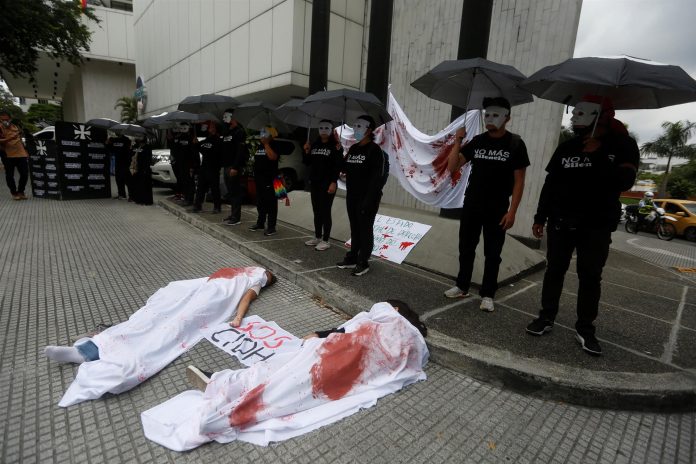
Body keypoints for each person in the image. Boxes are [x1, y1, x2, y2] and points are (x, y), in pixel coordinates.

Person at [141, 300, 428, 451]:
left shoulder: (387, 314)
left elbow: (349, 329)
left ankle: (225, 398)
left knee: (279, 371)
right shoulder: (414, 350)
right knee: (287, 391)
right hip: (346, 376)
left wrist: (319, 336)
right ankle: (225, 389)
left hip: (329, 358)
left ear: (397, 309)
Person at [44, 267, 276, 407]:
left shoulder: (254, 278)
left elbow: (245, 298)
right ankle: (87, 350)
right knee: (147, 323)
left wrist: (237, 317)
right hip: (200, 296)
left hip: (207, 303)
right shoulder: (246, 273)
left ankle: (107, 363)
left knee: (164, 331)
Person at [526, 95, 639, 356]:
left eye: (581, 113)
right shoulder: (568, 147)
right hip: (561, 222)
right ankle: (546, 317)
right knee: (554, 270)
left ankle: (585, 328)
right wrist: (539, 217)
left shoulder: (622, 145)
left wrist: (598, 154)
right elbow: (550, 184)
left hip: (596, 225)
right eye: (573, 112)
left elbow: (625, 181)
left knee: (590, 276)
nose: (574, 117)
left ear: (600, 115)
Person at [444, 97, 530, 312]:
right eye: (487, 114)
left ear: (507, 118)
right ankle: (462, 285)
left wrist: (512, 211)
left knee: (493, 253)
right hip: (472, 204)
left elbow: (520, 180)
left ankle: (488, 294)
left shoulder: (515, 144)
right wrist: (457, 142)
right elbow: (452, 167)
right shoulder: (478, 141)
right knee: (466, 248)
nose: (489, 118)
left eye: (495, 114)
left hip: (498, 208)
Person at [336, 115, 385, 276]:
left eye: (359, 126)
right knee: (355, 228)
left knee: (365, 229)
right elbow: (343, 167)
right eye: (354, 126)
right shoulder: (354, 148)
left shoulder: (375, 151)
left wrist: (369, 200)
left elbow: (377, 179)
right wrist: (338, 149)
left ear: (369, 130)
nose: (356, 129)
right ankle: (352, 258)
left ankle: (363, 261)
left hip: (367, 198)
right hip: (352, 196)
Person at [303, 120, 342, 251]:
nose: (323, 130)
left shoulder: (335, 146)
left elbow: (338, 166)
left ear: (331, 130)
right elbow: (307, 162)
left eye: (327, 128)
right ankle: (318, 237)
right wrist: (307, 151)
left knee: (325, 211)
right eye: (321, 128)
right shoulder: (314, 144)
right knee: (317, 210)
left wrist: (333, 182)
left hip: (327, 184)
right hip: (315, 182)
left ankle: (326, 240)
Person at [249, 125, 281, 236]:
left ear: (270, 135)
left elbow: (273, 157)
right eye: (261, 132)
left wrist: (266, 144)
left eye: (265, 133)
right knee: (260, 202)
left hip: (270, 179)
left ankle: (271, 227)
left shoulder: (274, 144)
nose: (262, 135)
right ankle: (260, 223)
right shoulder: (259, 146)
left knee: (271, 204)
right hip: (259, 179)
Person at [220, 109, 248, 226]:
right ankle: (233, 214)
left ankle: (236, 217)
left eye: (227, 117)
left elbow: (240, 151)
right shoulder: (227, 132)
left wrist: (235, 167)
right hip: (226, 166)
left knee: (235, 192)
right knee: (230, 192)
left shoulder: (239, 132)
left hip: (233, 166)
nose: (224, 119)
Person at [192, 121, 223, 213]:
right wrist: (195, 144)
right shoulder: (206, 140)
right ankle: (198, 205)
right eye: (210, 127)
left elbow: (218, 154)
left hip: (213, 168)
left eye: (212, 126)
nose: (210, 128)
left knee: (214, 188)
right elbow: (199, 149)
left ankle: (217, 207)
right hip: (204, 168)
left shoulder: (219, 141)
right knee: (200, 188)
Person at [0, 111, 29, 200]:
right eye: (2, 119)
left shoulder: (15, 126)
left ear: (10, 118)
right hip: (7, 154)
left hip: (21, 153)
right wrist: (10, 139)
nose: (5, 121)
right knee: (10, 175)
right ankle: (14, 193)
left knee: (24, 173)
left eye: (6, 119)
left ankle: (21, 191)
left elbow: (20, 138)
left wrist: (25, 150)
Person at [171, 122, 198, 206]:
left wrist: (194, 166)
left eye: (184, 128)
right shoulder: (177, 138)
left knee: (190, 182)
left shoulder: (191, 138)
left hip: (189, 165)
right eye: (181, 128)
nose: (182, 130)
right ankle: (186, 198)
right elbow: (175, 151)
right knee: (184, 181)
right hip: (180, 165)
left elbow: (194, 153)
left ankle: (190, 200)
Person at [106, 130, 132, 200]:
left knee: (127, 180)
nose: (116, 132)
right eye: (116, 131)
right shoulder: (114, 140)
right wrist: (108, 143)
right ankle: (121, 194)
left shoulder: (126, 140)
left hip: (125, 163)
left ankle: (131, 195)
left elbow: (128, 151)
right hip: (117, 163)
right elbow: (111, 150)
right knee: (118, 179)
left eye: (118, 131)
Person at [130, 134, 153, 205]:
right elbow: (132, 154)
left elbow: (148, 158)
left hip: (145, 169)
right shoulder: (137, 147)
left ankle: (146, 201)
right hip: (138, 168)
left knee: (146, 185)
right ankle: (139, 199)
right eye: (138, 137)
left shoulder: (147, 147)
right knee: (138, 185)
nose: (139, 138)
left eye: (141, 137)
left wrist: (145, 168)